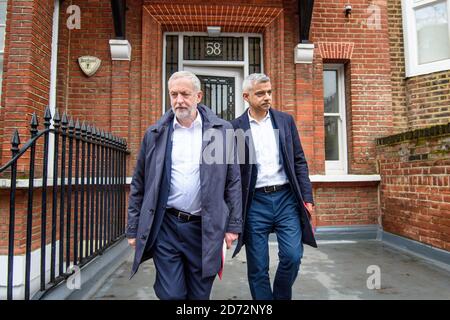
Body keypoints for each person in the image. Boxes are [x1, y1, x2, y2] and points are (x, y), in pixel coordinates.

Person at [126, 71, 242, 300]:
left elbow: (233, 181)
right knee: (171, 295)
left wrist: (233, 226)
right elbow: (139, 184)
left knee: (199, 296)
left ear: (199, 96)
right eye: (174, 94)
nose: (179, 100)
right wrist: (133, 228)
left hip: (204, 229)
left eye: (185, 94)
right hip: (166, 226)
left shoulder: (221, 131)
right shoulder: (155, 134)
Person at [230, 73, 317, 300]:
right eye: (260, 93)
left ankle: (279, 296)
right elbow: (232, 174)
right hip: (255, 203)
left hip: (286, 198)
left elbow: (299, 160)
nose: (267, 97)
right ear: (246, 96)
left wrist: (307, 198)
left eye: (269, 92)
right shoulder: (235, 128)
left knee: (292, 256)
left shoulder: (285, 121)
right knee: (258, 267)